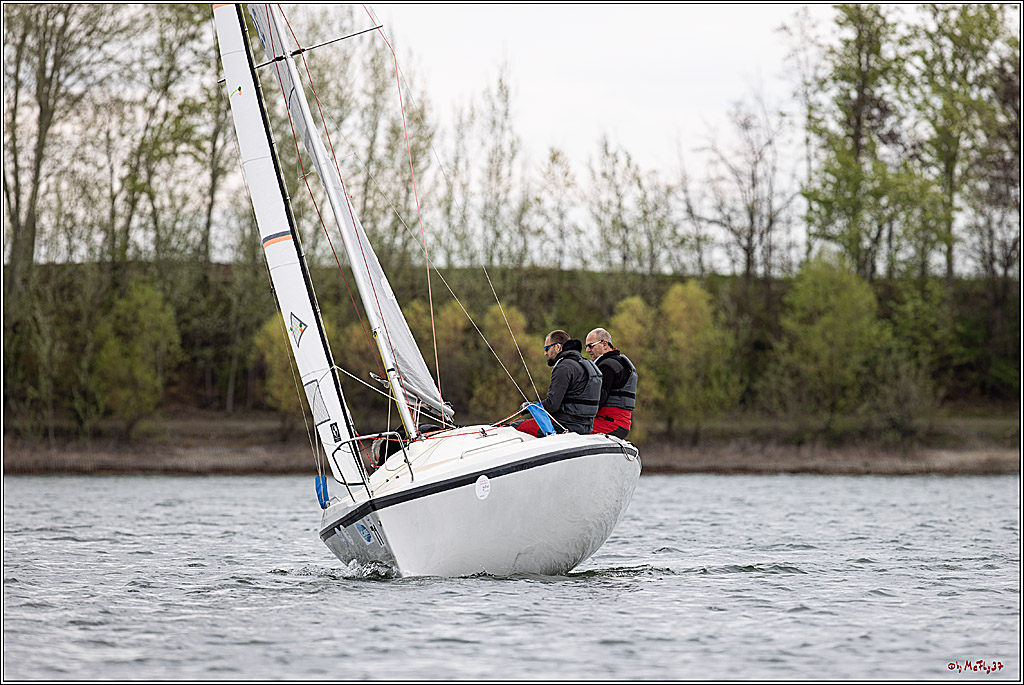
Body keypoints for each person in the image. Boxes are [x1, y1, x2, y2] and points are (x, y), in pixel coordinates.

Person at [515, 329, 603, 437]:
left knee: (513, 428)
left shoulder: (564, 366)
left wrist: (531, 406)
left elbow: (552, 405)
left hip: (563, 426)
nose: (545, 353)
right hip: (585, 428)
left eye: (547, 348)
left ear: (557, 347)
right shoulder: (586, 364)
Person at [585, 327, 637, 439]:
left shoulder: (607, 366)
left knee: (570, 427)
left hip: (610, 423)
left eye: (590, 346)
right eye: (586, 347)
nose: (587, 350)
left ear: (604, 344)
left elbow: (598, 400)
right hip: (618, 423)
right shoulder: (617, 362)